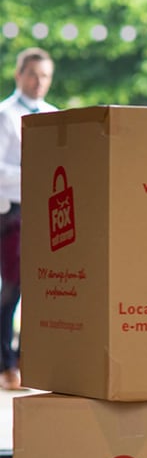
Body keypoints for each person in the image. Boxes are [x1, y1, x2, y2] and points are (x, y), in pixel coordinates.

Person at [0, 48, 56, 391]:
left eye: (45, 76)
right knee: (13, 287)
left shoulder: (54, 116)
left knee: (42, 287)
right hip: (12, 212)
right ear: (19, 75)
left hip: (44, 210)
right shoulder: (4, 115)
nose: (39, 82)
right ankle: (5, 363)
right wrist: (33, 174)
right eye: (33, 74)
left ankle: (27, 360)